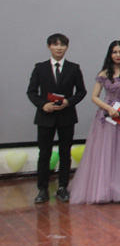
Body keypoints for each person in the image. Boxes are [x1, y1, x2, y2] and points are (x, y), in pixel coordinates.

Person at [69, 41, 120, 204]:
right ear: (110, 54)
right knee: (106, 153)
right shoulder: (103, 74)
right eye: (115, 52)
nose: (118, 55)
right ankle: (103, 189)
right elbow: (94, 96)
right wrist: (109, 108)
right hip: (107, 117)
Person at [27, 33, 87, 203]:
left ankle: (62, 187)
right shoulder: (40, 68)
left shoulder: (73, 68)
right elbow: (31, 92)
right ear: (49, 47)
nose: (59, 48)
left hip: (66, 116)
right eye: (55, 44)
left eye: (62, 45)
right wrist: (42, 105)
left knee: (65, 153)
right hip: (45, 116)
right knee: (44, 154)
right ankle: (42, 189)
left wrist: (68, 101)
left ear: (67, 47)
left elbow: (81, 91)